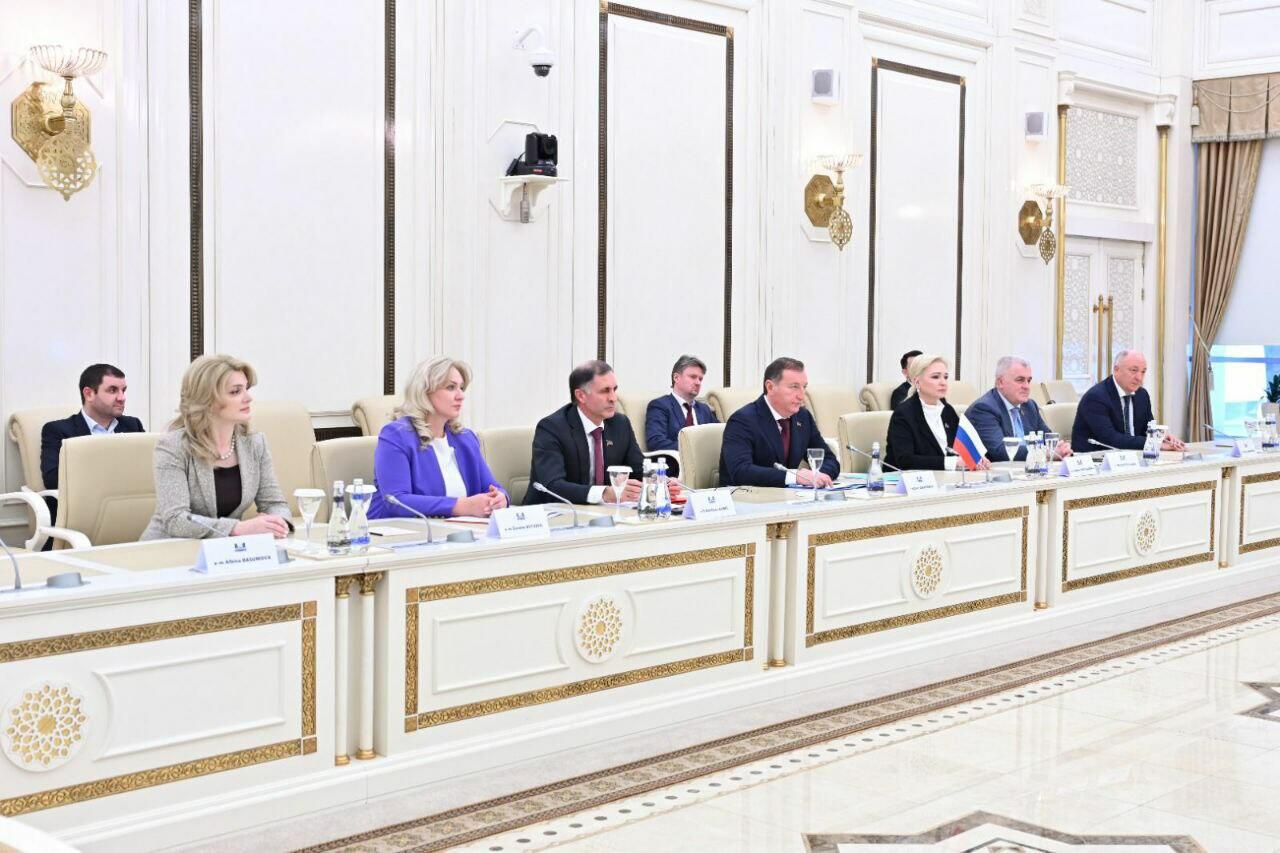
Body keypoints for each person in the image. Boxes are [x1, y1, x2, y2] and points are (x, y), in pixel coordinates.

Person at [142, 355, 291, 540]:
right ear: (207, 400)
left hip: (227, 551)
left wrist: (277, 523)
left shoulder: (255, 443)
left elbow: (275, 504)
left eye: (246, 389)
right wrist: (237, 528)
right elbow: (176, 520)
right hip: (170, 549)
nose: (248, 398)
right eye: (235, 392)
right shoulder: (173, 446)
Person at [368, 357, 508, 519]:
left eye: (462, 388)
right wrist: (460, 506)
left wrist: (500, 499)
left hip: (457, 531)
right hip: (398, 531)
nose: (461, 396)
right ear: (424, 392)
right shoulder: (396, 435)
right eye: (451, 387)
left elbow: (492, 487)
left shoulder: (466, 438)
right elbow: (396, 500)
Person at [526, 360, 671, 506]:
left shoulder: (620, 424)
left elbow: (639, 469)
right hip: (556, 512)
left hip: (605, 512)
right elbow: (552, 486)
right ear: (581, 396)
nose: (613, 398)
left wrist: (662, 482)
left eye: (614, 389)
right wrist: (604, 493)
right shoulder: (552, 428)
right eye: (605, 391)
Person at [40, 365, 146, 516]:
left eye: (123, 390)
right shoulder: (57, 431)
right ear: (89, 394)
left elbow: (148, 469)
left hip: (129, 510)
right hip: (81, 513)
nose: (122, 397)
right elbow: (52, 480)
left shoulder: (133, 425)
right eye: (112, 390)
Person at [719, 357, 840, 487]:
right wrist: (795, 477)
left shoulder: (803, 417)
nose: (801, 395)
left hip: (789, 496)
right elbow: (741, 472)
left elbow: (830, 460)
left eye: (804, 387)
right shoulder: (742, 421)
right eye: (794, 387)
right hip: (746, 496)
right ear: (770, 387)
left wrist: (817, 476)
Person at [886, 354, 991, 472]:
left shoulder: (947, 410)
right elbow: (906, 460)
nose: (943, 382)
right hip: (905, 480)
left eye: (945, 377)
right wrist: (954, 463)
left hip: (945, 478)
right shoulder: (903, 414)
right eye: (935, 377)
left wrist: (976, 457)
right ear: (917, 382)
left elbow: (959, 445)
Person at [1071, 349, 1185, 453]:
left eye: (1143, 372)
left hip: (1133, 457)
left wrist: (1162, 437)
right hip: (1096, 460)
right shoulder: (1095, 397)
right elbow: (1110, 439)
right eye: (1134, 370)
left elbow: (1147, 429)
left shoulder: (1142, 395)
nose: (1139, 378)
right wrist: (1155, 443)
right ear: (1116, 369)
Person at [967, 356, 1072, 462]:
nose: (1026, 386)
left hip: (1029, 469)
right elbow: (1001, 451)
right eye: (1020, 380)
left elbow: (1047, 439)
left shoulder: (1029, 406)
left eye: (1029, 380)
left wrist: (1061, 449)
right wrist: (1045, 453)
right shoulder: (984, 409)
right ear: (1000, 382)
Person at [644, 354, 718, 475]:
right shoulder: (660, 406)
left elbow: (720, 436)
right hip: (676, 469)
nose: (698, 382)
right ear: (676, 378)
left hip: (707, 468)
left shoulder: (704, 409)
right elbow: (656, 441)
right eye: (693, 377)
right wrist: (692, 450)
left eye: (700, 379)